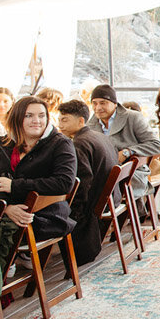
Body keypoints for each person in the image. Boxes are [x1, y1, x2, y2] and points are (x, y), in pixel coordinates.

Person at [0, 97, 77, 294]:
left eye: (41, 115)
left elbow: (64, 182)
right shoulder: (2, 145)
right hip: (7, 212)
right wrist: (7, 208)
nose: (37, 120)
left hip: (45, 215)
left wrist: (15, 186)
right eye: (29, 116)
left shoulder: (60, 144)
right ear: (18, 118)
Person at [58, 99, 117, 265]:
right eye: (59, 120)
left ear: (81, 121)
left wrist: (74, 212)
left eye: (64, 120)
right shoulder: (98, 136)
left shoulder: (78, 143)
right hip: (112, 198)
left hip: (96, 202)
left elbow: (83, 182)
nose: (60, 125)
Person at [87, 84, 160, 198]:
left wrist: (128, 151)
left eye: (103, 103)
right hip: (103, 174)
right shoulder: (90, 125)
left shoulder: (132, 117)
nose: (98, 108)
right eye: (94, 103)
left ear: (114, 103)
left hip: (132, 175)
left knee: (91, 191)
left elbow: (156, 145)